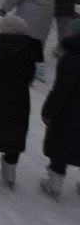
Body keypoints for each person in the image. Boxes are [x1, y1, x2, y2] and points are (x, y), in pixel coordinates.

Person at [0, 14, 42, 188]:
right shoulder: (30, 52)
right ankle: (9, 173)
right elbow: (29, 78)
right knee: (14, 136)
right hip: (20, 102)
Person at [42, 18, 80, 197]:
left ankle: (55, 182)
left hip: (69, 112)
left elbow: (61, 89)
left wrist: (48, 110)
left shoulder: (71, 58)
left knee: (61, 144)